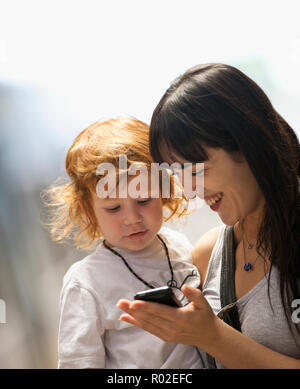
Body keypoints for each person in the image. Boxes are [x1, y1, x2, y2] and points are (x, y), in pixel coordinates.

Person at [117, 63, 300, 369]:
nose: (189, 192)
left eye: (195, 169)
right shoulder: (207, 255)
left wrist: (214, 337)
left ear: (246, 143)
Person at [42, 117, 205, 369]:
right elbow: (79, 362)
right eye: (114, 207)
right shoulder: (85, 282)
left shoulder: (180, 247)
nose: (132, 219)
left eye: (143, 201)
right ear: (88, 210)